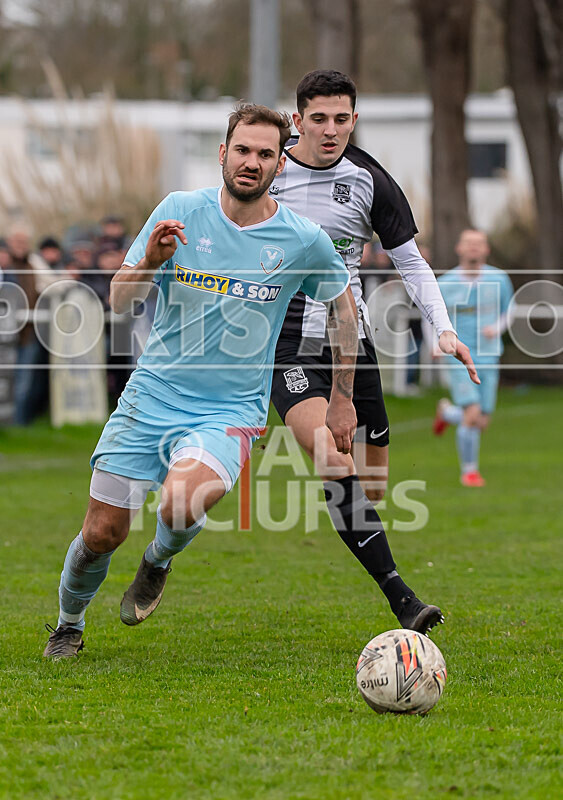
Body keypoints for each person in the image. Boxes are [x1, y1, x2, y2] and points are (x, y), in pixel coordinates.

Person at [43, 103, 357, 659]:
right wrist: (149, 262)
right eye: (242, 150)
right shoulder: (178, 211)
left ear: (278, 164)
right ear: (222, 153)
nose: (251, 162)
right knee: (100, 534)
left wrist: (341, 399)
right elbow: (117, 301)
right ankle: (69, 623)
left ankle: (157, 561)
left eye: (265, 154)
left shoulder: (302, 239)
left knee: (181, 503)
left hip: (229, 410)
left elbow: (344, 310)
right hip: (151, 396)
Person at [269, 70, 479, 634]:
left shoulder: (367, 179)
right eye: (319, 119)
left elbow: (410, 262)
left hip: (349, 342)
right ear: (298, 121)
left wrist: (443, 329)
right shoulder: (269, 173)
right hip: (283, 343)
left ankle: (356, 518)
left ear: (354, 120)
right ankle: (404, 601)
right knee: (334, 464)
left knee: (374, 487)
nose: (331, 129)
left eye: (342, 118)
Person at [433, 229, 513, 487]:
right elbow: (432, 315)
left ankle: (446, 413)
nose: (474, 248)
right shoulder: (445, 283)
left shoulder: (499, 279)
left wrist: (496, 328)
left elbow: (509, 312)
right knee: (473, 413)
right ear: (459, 248)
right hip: (458, 356)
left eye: (479, 244)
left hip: (490, 354)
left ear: (487, 249)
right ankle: (469, 472)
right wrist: (437, 345)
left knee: (481, 421)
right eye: (469, 243)